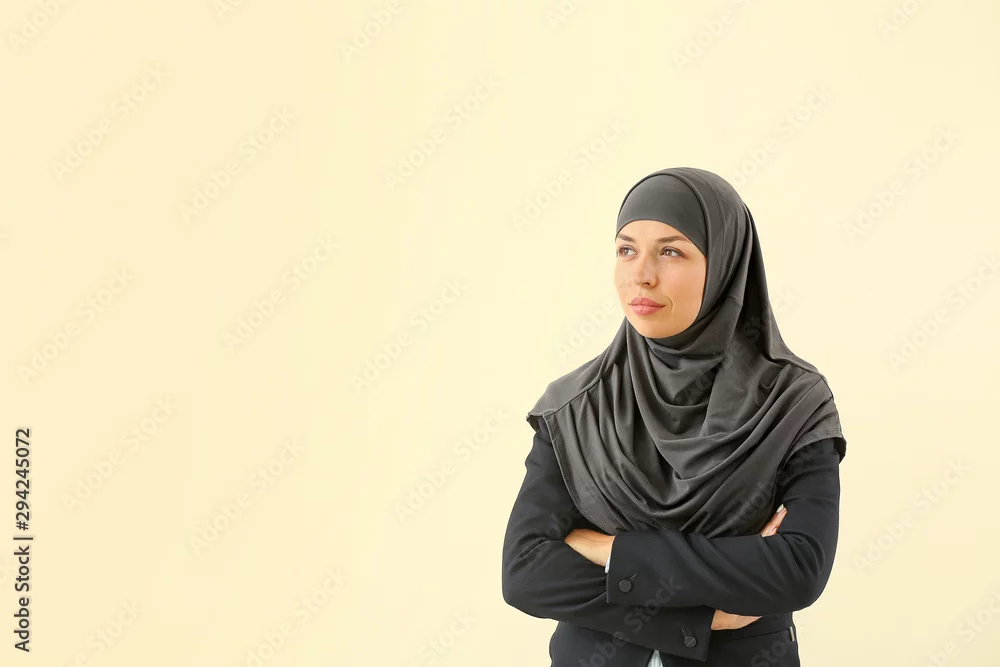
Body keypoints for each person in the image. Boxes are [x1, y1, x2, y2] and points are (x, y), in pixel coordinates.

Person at [501, 167, 847, 666]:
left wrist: (611, 550)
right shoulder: (576, 405)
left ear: (724, 265)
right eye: (626, 249)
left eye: (671, 251)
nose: (641, 274)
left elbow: (797, 569)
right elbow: (526, 573)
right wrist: (695, 618)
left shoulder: (793, 402)